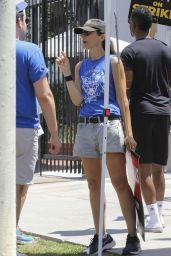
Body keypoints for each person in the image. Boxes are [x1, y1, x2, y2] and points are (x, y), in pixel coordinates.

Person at [56, 18, 141, 255]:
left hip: (110, 125)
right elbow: (77, 100)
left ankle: (132, 236)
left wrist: (129, 132)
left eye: (88, 32)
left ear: (101, 35)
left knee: (119, 182)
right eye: (81, 32)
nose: (83, 36)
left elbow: (124, 101)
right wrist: (66, 73)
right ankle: (101, 235)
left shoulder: (114, 62)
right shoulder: (80, 66)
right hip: (86, 127)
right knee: (93, 184)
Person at [121, 6, 171, 233]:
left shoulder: (129, 52)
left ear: (133, 24)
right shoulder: (165, 49)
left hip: (141, 112)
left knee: (145, 168)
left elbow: (127, 87)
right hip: (163, 111)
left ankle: (154, 217)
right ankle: (158, 215)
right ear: (150, 25)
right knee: (160, 167)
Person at [16, 0, 61, 244]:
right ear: (19, 20)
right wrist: (54, 133)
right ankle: (9, 233)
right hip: (24, 127)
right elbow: (44, 95)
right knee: (20, 183)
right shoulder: (30, 50)